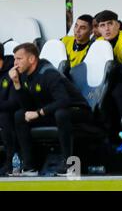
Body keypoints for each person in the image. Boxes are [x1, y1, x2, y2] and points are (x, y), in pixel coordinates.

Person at [9, 43, 92, 176]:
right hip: (52, 111)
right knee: (20, 115)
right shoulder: (23, 75)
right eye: (15, 59)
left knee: (61, 114)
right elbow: (27, 107)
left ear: (31, 59)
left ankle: (69, 164)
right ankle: (30, 166)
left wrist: (38, 113)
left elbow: (64, 100)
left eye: (19, 59)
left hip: (77, 110)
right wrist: (17, 83)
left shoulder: (48, 73)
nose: (15, 63)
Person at [0, 43, 20, 176]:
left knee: (4, 115)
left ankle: (11, 162)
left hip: (16, 112)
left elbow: (14, 103)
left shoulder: (13, 72)